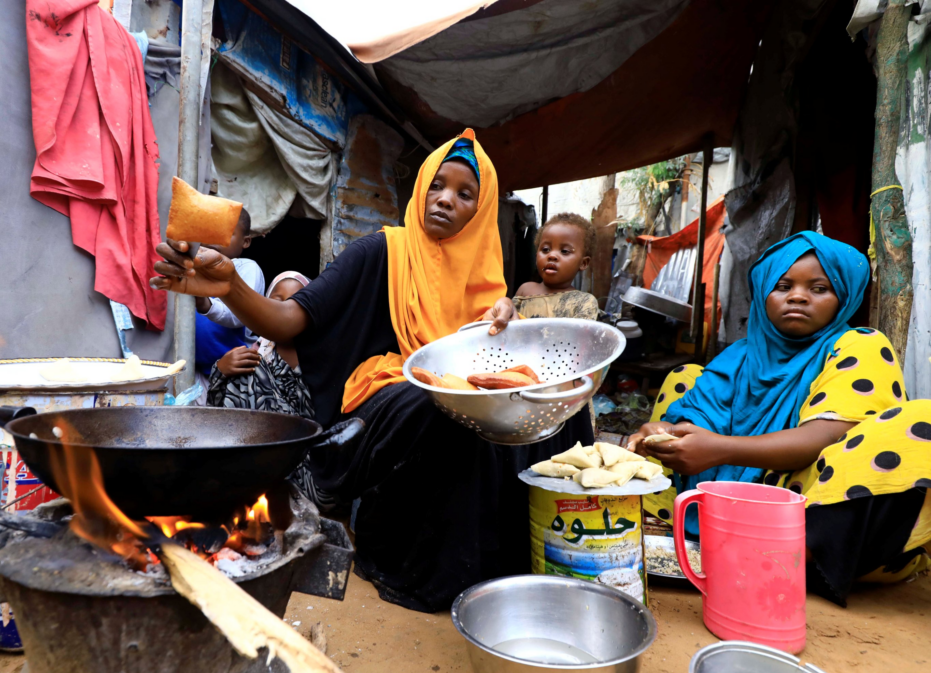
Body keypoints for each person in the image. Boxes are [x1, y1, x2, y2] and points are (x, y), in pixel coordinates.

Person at [151, 130, 593, 612]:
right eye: (437, 185)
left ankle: (543, 561)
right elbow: (288, 320)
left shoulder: (485, 277)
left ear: (481, 211)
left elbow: (490, 357)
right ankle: (429, 571)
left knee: (555, 400)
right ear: (420, 188)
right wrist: (231, 286)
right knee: (438, 402)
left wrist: (505, 316)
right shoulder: (379, 252)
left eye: (465, 194)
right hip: (380, 396)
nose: (445, 199)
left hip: (457, 384)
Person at [628, 232, 931, 605]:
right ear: (762, 294)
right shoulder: (739, 356)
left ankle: (795, 557)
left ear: (845, 297)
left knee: (922, 421)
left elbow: (825, 437)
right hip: (718, 506)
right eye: (783, 286)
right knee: (684, 377)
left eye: (819, 288)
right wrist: (665, 433)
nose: (798, 297)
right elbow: (697, 424)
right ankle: (701, 530)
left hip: (806, 507)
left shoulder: (860, 345)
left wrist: (721, 450)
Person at [207, 272, 332, 511]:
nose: (284, 310)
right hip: (258, 465)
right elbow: (215, 416)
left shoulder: (327, 359)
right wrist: (221, 370)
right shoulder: (255, 357)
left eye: (295, 303)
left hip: (309, 472)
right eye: (277, 301)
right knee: (246, 370)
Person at [196, 208, 265, 344]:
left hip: (234, 354)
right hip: (190, 356)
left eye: (225, 233)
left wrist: (205, 304)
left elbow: (240, 314)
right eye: (208, 230)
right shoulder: (192, 267)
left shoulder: (245, 268)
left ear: (245, 242)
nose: (214, 238)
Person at [513, 212, 599, 321]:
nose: (552, 255)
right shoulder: (524, 291)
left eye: (564, 251)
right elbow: (510, 323)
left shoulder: (584, 302)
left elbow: (580, 331)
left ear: (583, 263)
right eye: (545, 249)